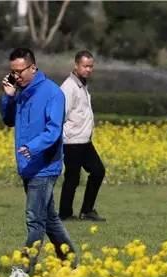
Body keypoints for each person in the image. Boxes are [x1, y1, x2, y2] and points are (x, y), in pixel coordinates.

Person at [1, 47, 76, 277]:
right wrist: (8, 96)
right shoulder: (20, 91)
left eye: (19, 71)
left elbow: (53, 131)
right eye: (12, 72)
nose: (16, 76)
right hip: (27, 165)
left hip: (44, 166)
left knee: (35, 220)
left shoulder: (52, 93)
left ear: (33, 67)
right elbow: (8, 120)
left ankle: (23, 268)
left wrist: (32, 147)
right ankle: (71, 261)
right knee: (50, 218)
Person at [58, 50, 107, 222]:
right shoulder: (68, 87)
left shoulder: (82, 84)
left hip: (84, 141)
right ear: (76, 65)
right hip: (72, 141)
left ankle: (87, 210)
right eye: (85, 66)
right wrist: (64, 136)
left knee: (98, 171)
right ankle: (64, 213)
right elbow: (60, 114)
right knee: (72, 177)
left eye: (91, 66)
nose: (88, 69)